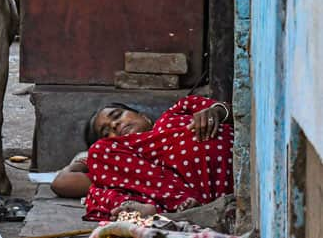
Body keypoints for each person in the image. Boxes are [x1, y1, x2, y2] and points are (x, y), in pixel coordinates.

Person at [51, 95, 234, 222]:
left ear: (142, 115)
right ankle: (180, 206)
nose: (115, 125)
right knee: (98, 192)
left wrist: (215, 112)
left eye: (117, 116)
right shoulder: (123, 169)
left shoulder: (176, 112)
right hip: (195, 200)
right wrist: (88, 158)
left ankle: (172, 211)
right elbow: (62, 182)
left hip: (241, 170)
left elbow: (234, 111)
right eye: (106, 133)